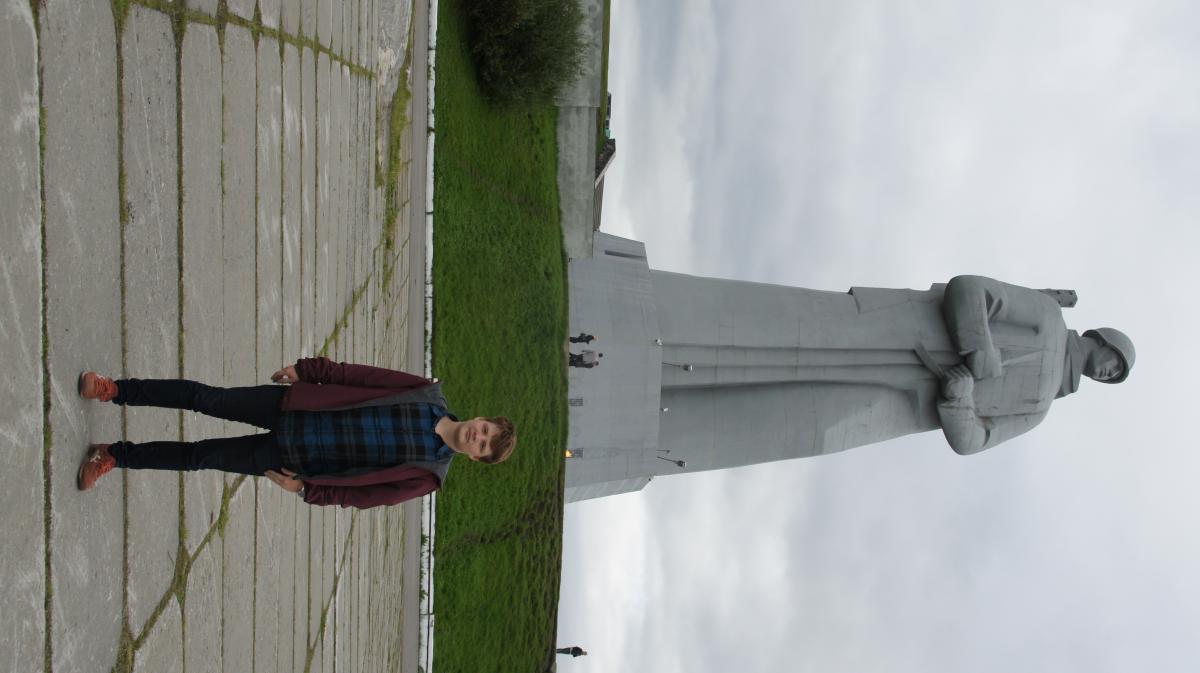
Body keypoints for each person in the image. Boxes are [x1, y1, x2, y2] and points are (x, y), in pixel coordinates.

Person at [74, 357, 516, 509]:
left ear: (476, 457)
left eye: (482, 445)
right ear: (480, 418)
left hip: (291, 460)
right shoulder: (426, 393)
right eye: (484, 430)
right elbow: (365, 377)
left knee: (200, 457)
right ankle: (115, 390)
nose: (476, 436)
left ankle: (114, 455)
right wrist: (310, 369)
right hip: (293, 406)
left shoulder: (428, 476)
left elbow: (365, 496)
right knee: (206, 398)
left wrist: (307, 490)